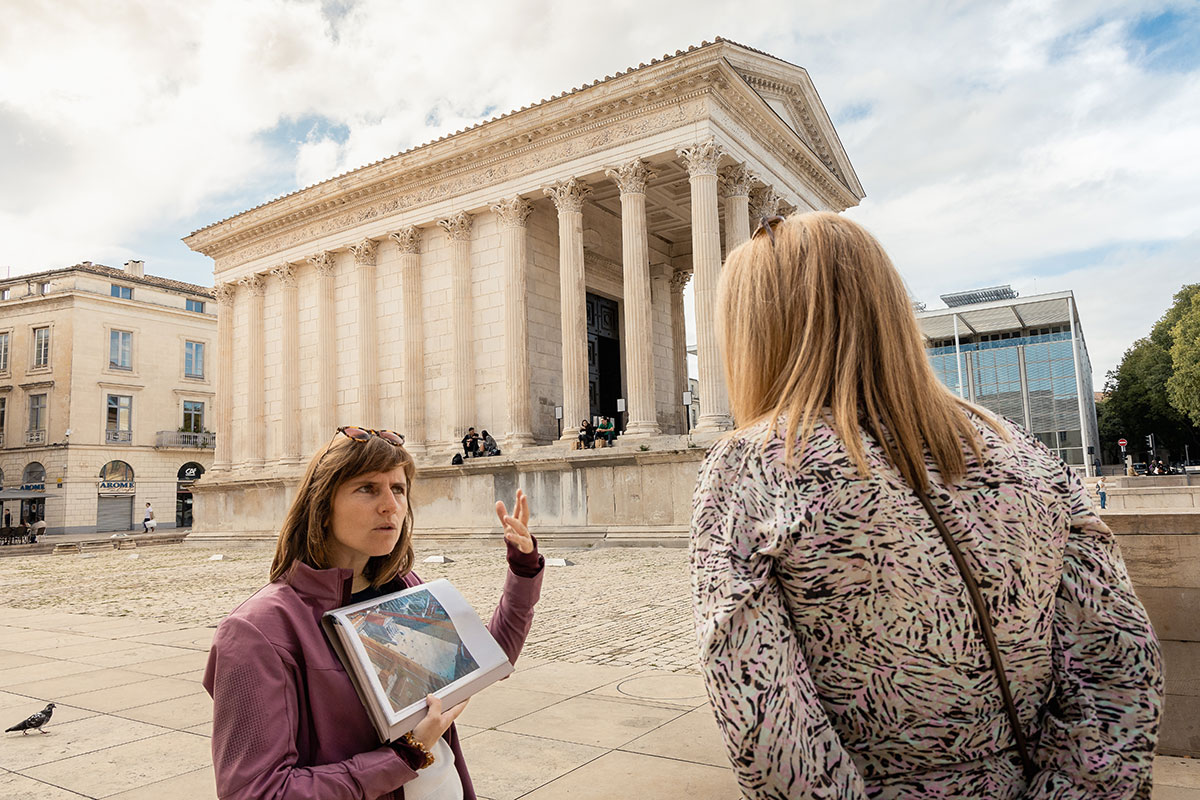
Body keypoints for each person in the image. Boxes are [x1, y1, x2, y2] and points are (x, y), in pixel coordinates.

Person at [690, 212, 1162, 799]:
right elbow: (1120, 666)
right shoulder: (1028, 455)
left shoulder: (753, 468)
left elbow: (768, 723)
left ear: (756, 331)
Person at [204, 425, 543, 800]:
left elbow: (486, 663)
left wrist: (523, 570)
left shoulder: (404, 587)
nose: (391, 505)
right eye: (367, 488)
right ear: (322, 505)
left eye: (398, 489)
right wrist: (404, 755)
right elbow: (257, 792)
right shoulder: (258, 631)